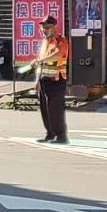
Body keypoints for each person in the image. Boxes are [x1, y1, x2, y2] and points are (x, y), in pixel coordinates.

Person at [33, 16, 70, 145]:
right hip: (44, 80)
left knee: (55, 109)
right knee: (45, 108)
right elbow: (41, 61)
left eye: (47, 27)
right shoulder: (45, 42)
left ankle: (61, 135)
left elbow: (59, 54)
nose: (44, 29)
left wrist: (41, 60)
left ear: (55, 27)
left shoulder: (61, 40)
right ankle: (50, 133)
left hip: (56, 80)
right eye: (43, 27)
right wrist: (37, 80)